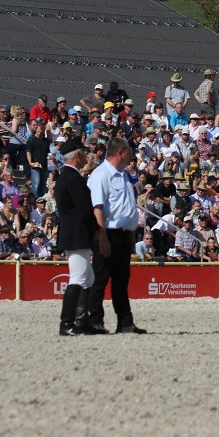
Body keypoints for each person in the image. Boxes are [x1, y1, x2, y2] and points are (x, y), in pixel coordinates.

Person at [86, 137, 147, 334]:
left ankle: (125, 322)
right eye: (129, 151)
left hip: (123, 234)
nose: (132, 155)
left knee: (121, 280)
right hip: (107, 233)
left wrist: (130, 233)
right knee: (100, 278)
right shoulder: (100, 175)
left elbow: (126, 207)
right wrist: (102, 237)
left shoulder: (122, 175)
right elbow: (98, 208)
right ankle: (95, 321)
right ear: (120, 152)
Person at [55, 138, 99, 336]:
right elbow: (86, 209)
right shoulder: (73, 178)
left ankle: (82, 322)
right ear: (78, 155)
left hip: (75, 233)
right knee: (78, 278)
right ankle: (67, 324)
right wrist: (96, 230)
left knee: (88, 278)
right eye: (84, 153)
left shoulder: (67, 176)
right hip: (77, 234)